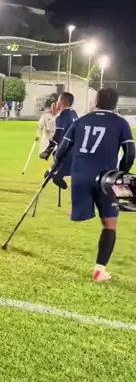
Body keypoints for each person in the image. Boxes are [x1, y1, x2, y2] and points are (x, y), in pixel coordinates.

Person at [52, 88, 135, 282]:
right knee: (110, 224)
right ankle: (99, 270)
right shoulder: (120, 123)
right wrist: (121, 174)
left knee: (81, 216)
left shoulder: (81, 121)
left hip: (80, 177)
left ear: (96, 101)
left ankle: (78, 213)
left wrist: (56, 167)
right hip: (106, 179)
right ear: (115, 104)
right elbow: (130, 153)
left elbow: (62, 149)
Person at [40, 91, 78, 187]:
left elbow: (58, 137)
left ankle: (54, 174)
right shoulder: (74, 114)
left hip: (66, 151)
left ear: (61, 102)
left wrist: (48, 150)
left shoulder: (62, 117)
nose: (56, 102)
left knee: (58, 156)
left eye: (58, 100)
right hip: (75, 151)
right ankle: (57, 174)